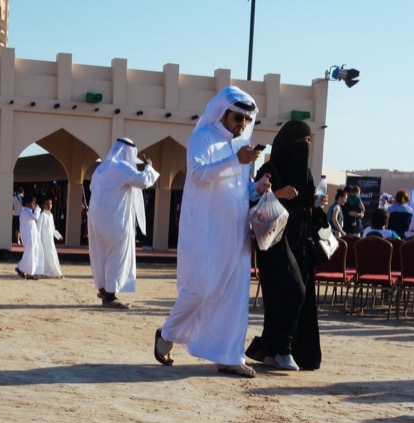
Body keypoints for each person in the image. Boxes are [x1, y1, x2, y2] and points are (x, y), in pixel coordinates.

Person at [154, 86, 270, 377]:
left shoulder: (242, 147)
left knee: (235, 294)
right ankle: (167, 335)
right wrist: (236, 161)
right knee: (201, 288)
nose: (242, 124)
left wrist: (256, 187)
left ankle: (229, 355)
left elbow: (239, 189)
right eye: (237, 117)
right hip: (207, 230)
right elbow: (197, 173)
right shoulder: (202, 138)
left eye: (246, 119)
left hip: (237, 231)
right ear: (223, 113)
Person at [245, 120, 323, 372]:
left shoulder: (306, 172)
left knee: (293, 296)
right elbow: (251, 201)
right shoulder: (270, 169)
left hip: (299, 240)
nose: (306, 146)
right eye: (302, 141)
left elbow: (308, 201)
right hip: (275, 240)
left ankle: (275, 350)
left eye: (309, 141)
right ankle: (283, 349)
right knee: (289, 291)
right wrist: (278, 193)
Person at [88, 137, 160, 309]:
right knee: (117, 252)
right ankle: (111, 296)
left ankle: (104, 288)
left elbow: (92, 188)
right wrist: (149, 166)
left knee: (101, 252)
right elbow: (143, 181)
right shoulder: (122, 167)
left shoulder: (101, 168)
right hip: (114, 218)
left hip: (97, 218)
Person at [15, 194, 42, 280]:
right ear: (27, 203)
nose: (34, 205)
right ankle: (22, 268)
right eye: (32, 203)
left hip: (32, 236)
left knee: (32, 254)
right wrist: (38, 209)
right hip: (28, 237)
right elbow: (36, 217)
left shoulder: (29, 212)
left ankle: (28, 271)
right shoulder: (25, 212)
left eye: (34, 203)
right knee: (29, 254)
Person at [38, 197, 64, 278]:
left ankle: (51, 273)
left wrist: (58, 236)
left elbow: (52, 228)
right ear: (43, 205)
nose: (49, 205)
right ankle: (53, 273)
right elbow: (38, 229)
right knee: (46, 257)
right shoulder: (42, 216)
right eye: (47, 204)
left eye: (51, 203)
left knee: (51, 255)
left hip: (50, 241)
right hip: (43, 241)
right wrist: (38, 241)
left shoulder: (51, 215)